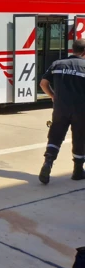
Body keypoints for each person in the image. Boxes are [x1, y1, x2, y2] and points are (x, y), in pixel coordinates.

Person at [38, 38, 85, 184]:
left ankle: (48, 162)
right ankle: (78, 171)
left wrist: (53, 96)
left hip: (60, 108)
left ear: (73, 49)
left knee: (55, 136)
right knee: (79, 138)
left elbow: (43, 83)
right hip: (80, 110)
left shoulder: (57, 64)